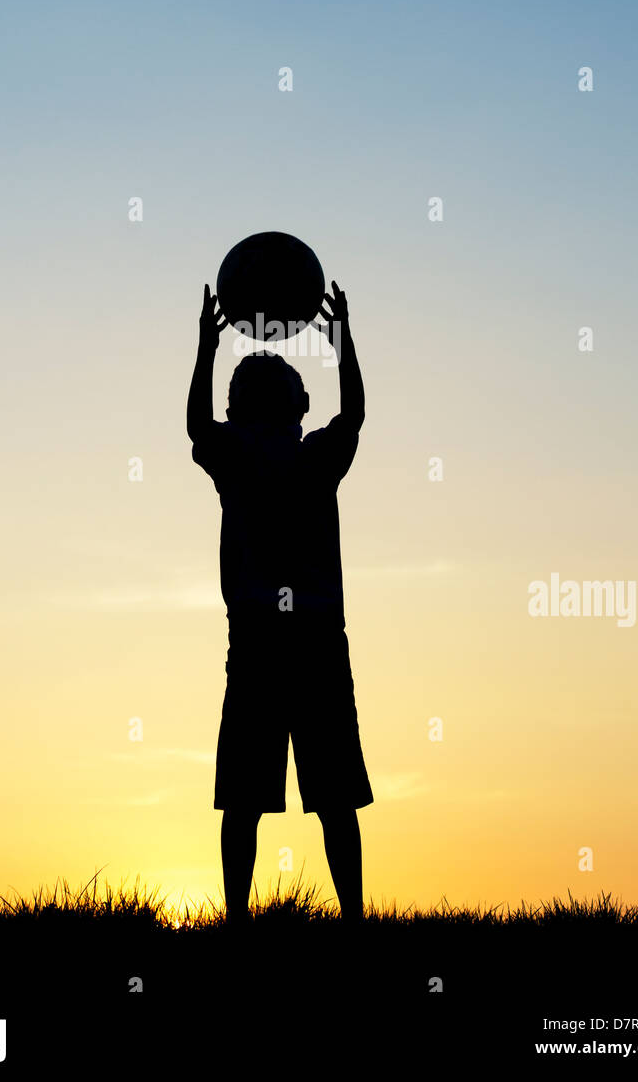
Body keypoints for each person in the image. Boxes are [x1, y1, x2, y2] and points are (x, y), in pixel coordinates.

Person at [187, 279, 373, 924]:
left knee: (246, 796)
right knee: (334, 797)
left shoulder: (235, 457)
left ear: (236, 410)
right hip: (316, 640)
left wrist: (206, 350)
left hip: (263, 641)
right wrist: (341, 341)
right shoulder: (317, 455)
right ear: (302, 405)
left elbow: (194, 423)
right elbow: (354, 414)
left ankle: (238, 920)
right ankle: (352, 919)